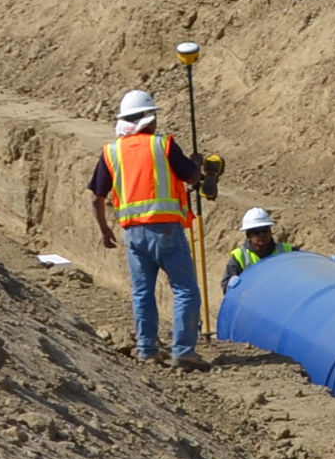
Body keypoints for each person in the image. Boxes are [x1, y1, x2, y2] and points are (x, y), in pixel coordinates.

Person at [87, 87, 213, 368]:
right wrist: (196, 162)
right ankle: (183, 350)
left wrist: (105, 229)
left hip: (133, 234)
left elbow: (97, 197)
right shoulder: (162, 145)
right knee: (185, 291)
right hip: (166, 229)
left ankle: (147, 349)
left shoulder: (111, 152)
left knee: (143, 292)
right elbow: (192, 176)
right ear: (147, 119)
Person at [216, 205, 285, 331]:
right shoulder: (239, 256)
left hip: (281, 305)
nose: (262, 235)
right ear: (248, 235)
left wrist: (325, 263)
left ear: (271, 231)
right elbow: (226, 287)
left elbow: (307, 265)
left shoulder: (286, 251)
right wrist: (230, 286)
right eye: (256, 232)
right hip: (253, 309)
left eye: (265, 230)